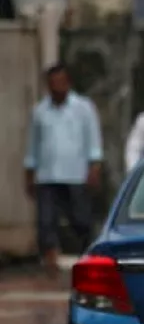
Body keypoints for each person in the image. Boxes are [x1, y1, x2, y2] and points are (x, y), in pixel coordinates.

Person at [24, 63, 103, 276]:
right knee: (46, 220)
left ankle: (87, 254)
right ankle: (50, 259)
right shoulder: (39, 111)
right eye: (52, 83)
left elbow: (93, 139)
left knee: (81, 219)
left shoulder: (84, 107)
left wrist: (94, 167)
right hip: (47, 175)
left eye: (61, 81)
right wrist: (30, 171)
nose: (57, 86)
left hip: (76, 173)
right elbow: (33, 144)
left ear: (68, 82)